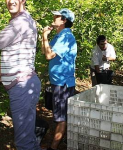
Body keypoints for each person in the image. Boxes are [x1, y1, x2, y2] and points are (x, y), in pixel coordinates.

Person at [0, 0, 41, 150]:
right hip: (26, 84)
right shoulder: (24, 19)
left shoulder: (19, 23)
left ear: (23, 0)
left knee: (23, 143)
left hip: (22, 87)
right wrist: (3, 65)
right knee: (28, 139)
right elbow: (17, 46)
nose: (11, 0)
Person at [42, 8, 77, 150]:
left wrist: (44, 37)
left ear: (64, 20)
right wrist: (44, 36)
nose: (54, 17)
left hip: (62, 83)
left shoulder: (65, 37)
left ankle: (53, 147)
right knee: (59, 114)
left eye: (56, 16)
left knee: (61, 118)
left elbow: (49, 56)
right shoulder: (59, 36)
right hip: (58, 81)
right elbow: (45, 52)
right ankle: (61, 141)